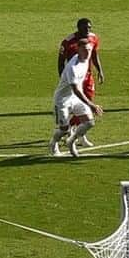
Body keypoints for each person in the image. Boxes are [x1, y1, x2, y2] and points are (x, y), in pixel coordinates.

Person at [50, 38, 103, 158]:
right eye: (84, 50)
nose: (87, 52)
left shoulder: (86, 58)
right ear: (78, 50)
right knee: (63, 129)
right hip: (62, 100)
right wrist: (91, 104)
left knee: (89, 122)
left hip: (75, 98)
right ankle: (53, 143)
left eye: (89, 50)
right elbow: (76, 89)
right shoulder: (72, 68)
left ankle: (71, 141)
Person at [58, 17, 104, 148]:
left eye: (89, 27)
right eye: (85, 27)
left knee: (87, 104)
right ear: (78, 28)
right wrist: (62, 78)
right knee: (75, 105)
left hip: (87, 77)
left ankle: (79, 132)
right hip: (74, 79)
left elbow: (94, 55)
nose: (88, 30)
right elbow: (60, 61)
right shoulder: (68, 41)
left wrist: (100, 70)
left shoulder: (93, 38)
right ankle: (71, 130)